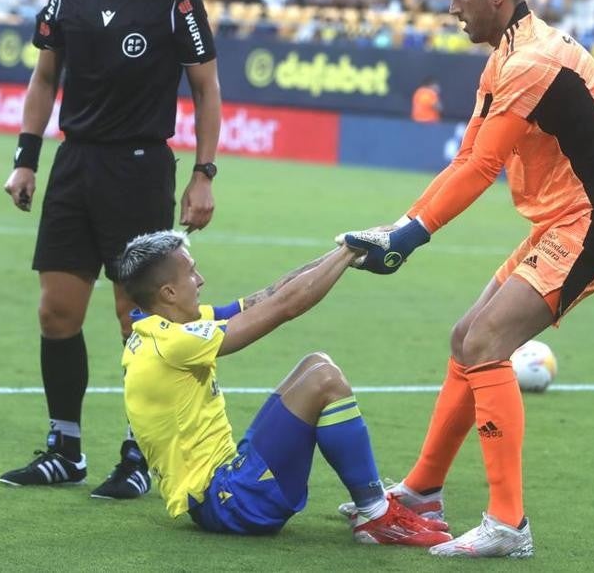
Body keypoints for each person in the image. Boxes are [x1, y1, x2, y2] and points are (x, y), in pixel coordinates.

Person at [337, 0, 594, 558]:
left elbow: (483, 167)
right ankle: (422, 495)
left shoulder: (531, 62)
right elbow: (466, 158)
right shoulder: (505, 57)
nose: (452, 7)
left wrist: (405, 239)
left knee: (485, 342)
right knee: (467, 337)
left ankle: (508, 524)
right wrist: (400, 227)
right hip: (563, 219)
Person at [0, 0, 223, 500]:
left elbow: (206, 89)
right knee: (57, 311)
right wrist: (26, 160)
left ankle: (137, 455)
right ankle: (64, 449)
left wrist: (204, 173)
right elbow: (45, 77)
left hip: (141, 168)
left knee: (137, 317)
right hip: (75, 166)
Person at [116, 230, 452, 546]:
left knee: (316, 364)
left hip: (226, 486)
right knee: (324, 380)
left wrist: (343, 254)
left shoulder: (159, 329)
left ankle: (372, 504)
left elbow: (267, 296)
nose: (200, 279)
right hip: (230, 504)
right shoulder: (173, 343)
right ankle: (378, 517)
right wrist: (352, 249)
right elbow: (283, 308)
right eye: (191, 272)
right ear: (168, 293)